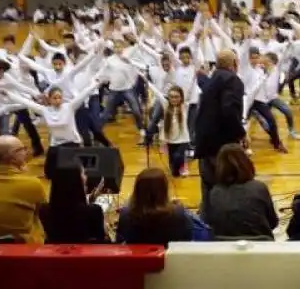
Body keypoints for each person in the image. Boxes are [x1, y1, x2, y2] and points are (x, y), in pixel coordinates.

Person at [194, 49, 246, 218]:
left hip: (204, 143)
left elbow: (203, 83)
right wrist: (241, 133)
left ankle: (207, 223)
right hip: (222, 145)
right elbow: (229, 110)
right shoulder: (233, 80)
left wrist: (200, 74)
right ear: (235, 64)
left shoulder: (212, 79)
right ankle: (226, 220)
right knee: (228, 183)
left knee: (207, 186)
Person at [0, 136, 47, 243]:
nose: (26, 152)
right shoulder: (32, 183)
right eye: (23, 149)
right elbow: (41, 211)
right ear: (13, 156)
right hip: (24, 248)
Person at [205, 144, 278, 240]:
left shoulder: (214, 193)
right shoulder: (259, 188)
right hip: (260, 247)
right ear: (246, 162)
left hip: (225, 249)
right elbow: (273, 222)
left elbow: (210, 223)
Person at [115, 168, 193, 245]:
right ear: (164, 190)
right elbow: (187, 240)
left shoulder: (126, 215)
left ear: (137, 190)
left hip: (138, 257)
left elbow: (120, 243)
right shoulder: (179, 213)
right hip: (168, 257)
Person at [39, 166, 107, 244]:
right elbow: (101, 239)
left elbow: (69, 210)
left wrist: (90, 200)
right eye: (83, 174)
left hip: (57, 255)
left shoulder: (44, 210)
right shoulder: (95, 211)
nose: (86, 177)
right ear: (76, 181)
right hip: (86, 254)